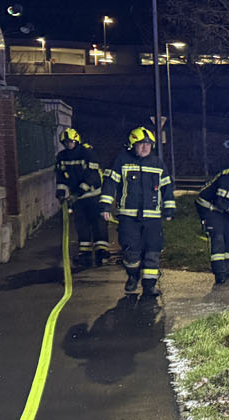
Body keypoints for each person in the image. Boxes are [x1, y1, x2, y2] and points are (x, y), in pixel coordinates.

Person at [101, 126, 175, 297]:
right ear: (132, 145)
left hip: (153, 218)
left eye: (148, 144)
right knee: (130, 251)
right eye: (141, 144)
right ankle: (133, 276)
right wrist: (105, 206)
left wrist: (169, 208)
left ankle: (149, 285)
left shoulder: (157, 163)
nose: (145, 147)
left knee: (153, 251)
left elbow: (167, 187)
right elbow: (110, 184)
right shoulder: (121, 161)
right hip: (129, 217)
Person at [54, 128, 110, 267]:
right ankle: (84, 253)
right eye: (65, 142)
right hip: (77, 198)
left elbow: (92, 176)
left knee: (98, 223)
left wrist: (77, 193)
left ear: (77, 140)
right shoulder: (62, 157)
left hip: (93, 195)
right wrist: (61, 194)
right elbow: (61, 177)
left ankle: (101, 252)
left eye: (71, 142)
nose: (68, 144)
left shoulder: (87, 153)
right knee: (81, 224)